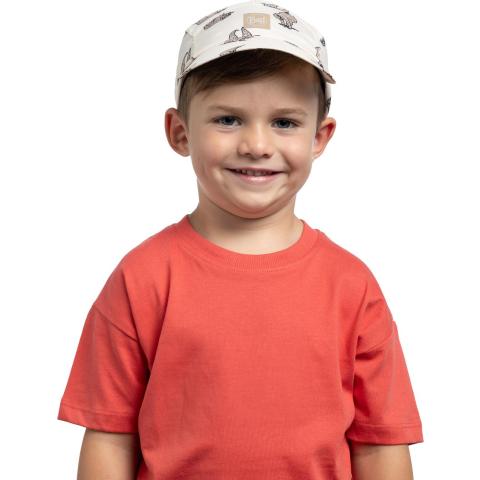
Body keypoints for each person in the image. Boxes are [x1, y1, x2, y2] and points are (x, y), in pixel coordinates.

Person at [57, 1, 424, 478]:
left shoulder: (352, 285)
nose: (256, 145)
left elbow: (381, 443)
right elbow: (109, 436)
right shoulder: (141, 278)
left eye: (284, 122)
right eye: (228, 119)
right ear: (180, 132)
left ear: (320, 137)